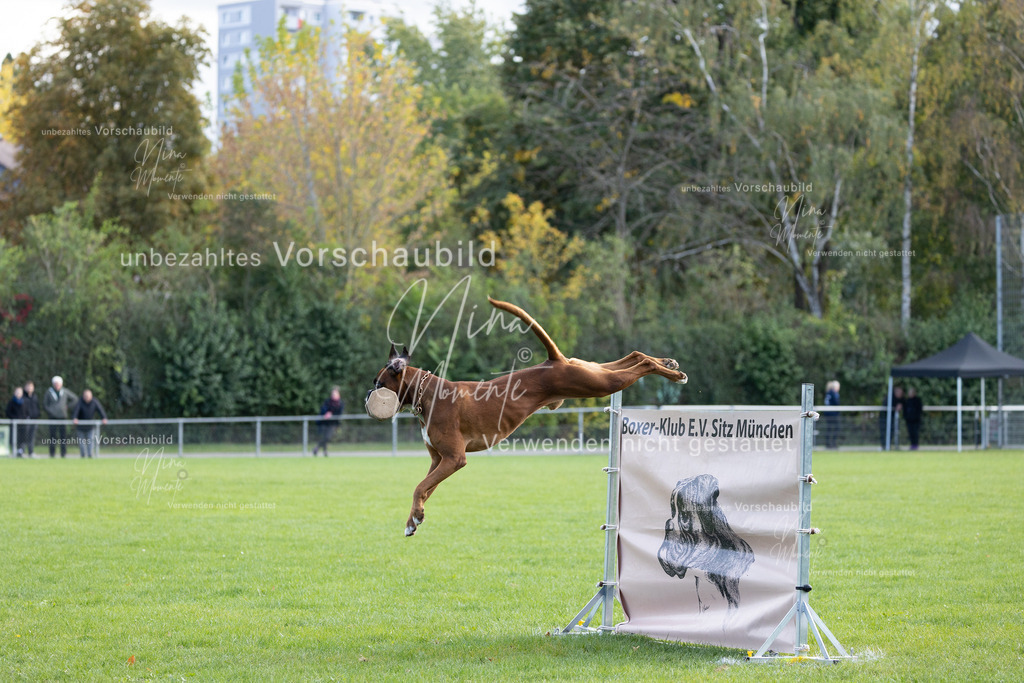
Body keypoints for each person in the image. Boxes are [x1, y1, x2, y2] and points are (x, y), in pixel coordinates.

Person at [43, 376, 78, 458]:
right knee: (52, 436)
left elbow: (75, 399)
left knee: (63, 436)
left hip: (62, 417)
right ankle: (52, 453)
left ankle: (63, 453)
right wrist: (51, 411)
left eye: (58, 384)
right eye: (55, 384)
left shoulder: (65, 391)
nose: (57, 385)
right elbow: (45, 405)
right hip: (53, 417)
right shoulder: (49, 392)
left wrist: (67, 407)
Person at [72, 388, 108, 458]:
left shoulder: (94, 402)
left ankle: (90, 456)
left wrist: (104, 418)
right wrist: (74, 418)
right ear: (83, 396)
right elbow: (76, 411)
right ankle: (82, 455)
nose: (87, 398)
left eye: (88, 396)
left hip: (90, 427)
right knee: (82, 443)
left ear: (91, 396)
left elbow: (100, 410)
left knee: (90, 442)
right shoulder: (80, 402)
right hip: (80, 427)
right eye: (86, 396)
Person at [313, 386, 344, 457]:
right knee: (324, 437)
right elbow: (323, 410)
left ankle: (317, 448)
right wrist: (326, 413)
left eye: (335, 394)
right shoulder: (327, 402)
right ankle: (325, 451)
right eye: (333, 394)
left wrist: (331, 414)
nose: (334, 395)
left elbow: (339, 413)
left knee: (327, 437)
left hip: (332, 423)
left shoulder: (340, 403)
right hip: (325, 422)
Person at [879, 385, 904, 450]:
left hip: (892, 419)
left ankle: (888, 445)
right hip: (884, 418)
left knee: (892, 432)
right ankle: (884, 446)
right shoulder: (889, 398)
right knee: (884, 432)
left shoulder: (900, 399)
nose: (901, 394)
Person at [5, 386, 28, 457]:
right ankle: (14, 452)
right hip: (14, 424)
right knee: (13, 438)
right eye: (17, 392)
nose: (18, 394)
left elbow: (27, 412)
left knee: (22, 438)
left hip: (22, 424)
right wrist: (14, 418)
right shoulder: (11, 402)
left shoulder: (24, 402)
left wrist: (24, 418)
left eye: (20, 392)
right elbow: (8, 412)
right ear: (14, 393)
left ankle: (21, 452)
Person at [22, 381, 40, 457]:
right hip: (25, 420)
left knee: (31, 437)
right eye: (28, 386)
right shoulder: (22, 397)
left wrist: (37, 415)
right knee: (24, 436)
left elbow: (37, 407)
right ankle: (21, 452)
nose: (29, 388)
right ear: (25, 387)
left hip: (34, 420)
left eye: (31, 387)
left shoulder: (35, 397)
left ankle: (31, 452)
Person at [823, 380, 841, 449]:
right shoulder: (833, 393)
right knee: (835, 428)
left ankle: (829, 444)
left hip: (828, 413)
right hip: (832, 414)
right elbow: (837, 403)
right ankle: (832, 444)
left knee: (829, 428)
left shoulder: (828, 393)